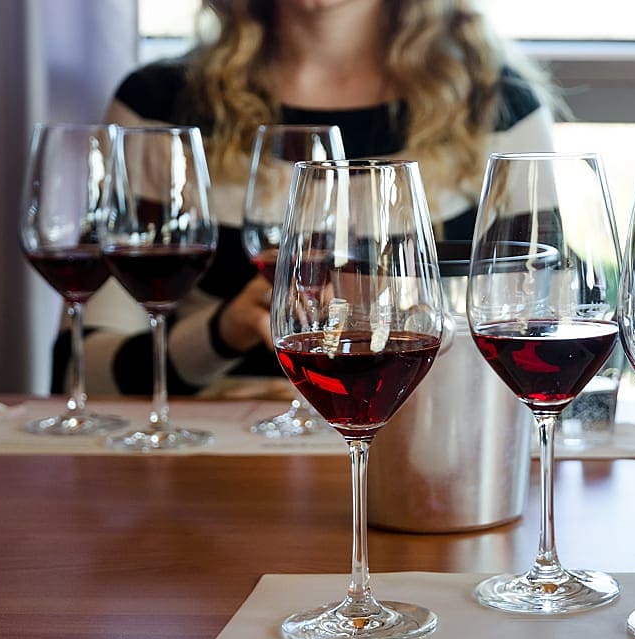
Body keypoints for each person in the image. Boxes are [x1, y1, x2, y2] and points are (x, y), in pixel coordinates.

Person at [61, 0, 556, 396]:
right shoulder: (157, 107)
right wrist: (220, 333)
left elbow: (548, 350)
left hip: (430, 453)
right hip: (209, 471)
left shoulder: (498, 106)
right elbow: (83, 369)